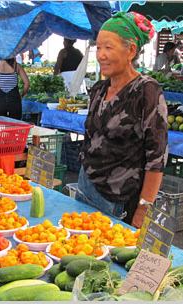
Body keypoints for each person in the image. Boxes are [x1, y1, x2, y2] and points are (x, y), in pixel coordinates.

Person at [77, 11, 168, 228]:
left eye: (108, 47)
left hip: (118, 201)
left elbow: (157, 158)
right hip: (86, 188)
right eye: (98, 47)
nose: (101, 55)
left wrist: (144, 208)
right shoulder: (99, 89)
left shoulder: (146, 91)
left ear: (131, 51)